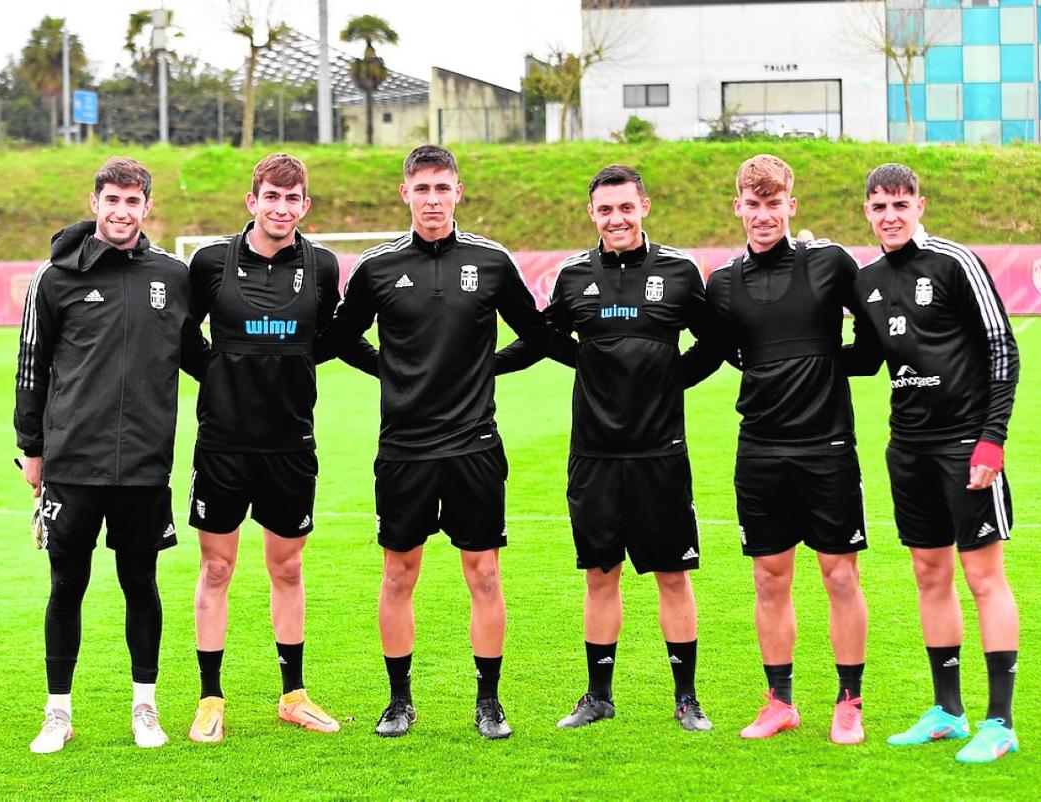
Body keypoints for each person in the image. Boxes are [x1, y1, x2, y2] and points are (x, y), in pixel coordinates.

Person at [330, 145, 558, 739]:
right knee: (399, 574)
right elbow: (339, 338)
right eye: (422, 188)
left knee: (483, 573)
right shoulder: (378, 268)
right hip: (404, 447)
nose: (432, 199)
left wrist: (487, 369)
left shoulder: (490, 262)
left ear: (459, 193)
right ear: (404, 193)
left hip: (473, 444)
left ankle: (488, 702)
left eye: (442, 188)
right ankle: (399, 701)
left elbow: (537, 336)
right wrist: (391, 370)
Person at [497, 165, 719, 732]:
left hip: (660, 452)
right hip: (594, 453)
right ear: (591, 213)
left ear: (644, 205)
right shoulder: (573, 276)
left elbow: (715, 343)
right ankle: (598, 696)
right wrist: (486, 367)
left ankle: (687, 698)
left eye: (625, 207)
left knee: (672, 574)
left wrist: (669, 379)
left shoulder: (678, 271)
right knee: (600, 573)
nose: (616, 218)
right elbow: (544, 339)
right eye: (604, 210)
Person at [14, 157, 206, 753]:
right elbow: (31, 366)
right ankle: (57, 712)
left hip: (146, 464)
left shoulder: (173, 276)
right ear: (94, 201)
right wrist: (31, 449)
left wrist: (264, 376)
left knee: (140, 583)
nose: (122, 211)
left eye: (133, 201)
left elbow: (201, 357)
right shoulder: (54, 277)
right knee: (66, 584)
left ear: (148, 207)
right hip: (73, 461)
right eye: (112, 199)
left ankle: (144, 707)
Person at [184, 154, 378, 744]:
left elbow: (328, 339)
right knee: (217, 568)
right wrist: (221, 374)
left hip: (290, 443)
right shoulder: (211, 261)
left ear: (305, 205)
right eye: (271, 197)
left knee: (287, 567)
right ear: (253, 201)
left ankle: (293, 693)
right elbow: (184, 335)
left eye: (292, 200)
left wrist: (289, 365)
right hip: (222, 442)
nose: (281, 208)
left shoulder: (322, 266)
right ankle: (210, 698)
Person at [683, 154, 872, 744]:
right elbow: (716, 354)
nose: (763, 215)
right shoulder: (723, 284)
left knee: (839, 576)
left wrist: (817, 364)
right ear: (737, 206)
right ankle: (780, 701)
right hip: (759, 449)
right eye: (752, 203)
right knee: (769, 578)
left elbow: (870, 347)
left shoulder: (830, 263)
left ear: (792, 204)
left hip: (828, 446)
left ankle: (849, 702)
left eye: (774, 203)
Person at [848, 162, 1020, 764]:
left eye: (900, 204)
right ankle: (948, 710)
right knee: (929, 574)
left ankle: (1000, 721)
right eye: (878, 206)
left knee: (983, 578)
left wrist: (991, 441)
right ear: (866, 212)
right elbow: (865, 360)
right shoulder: (866, 280)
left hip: (964, 445)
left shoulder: (954, 262)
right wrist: (776, 353)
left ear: (920, 205)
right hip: (908, 447)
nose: (890, 216)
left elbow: (1003, 347)